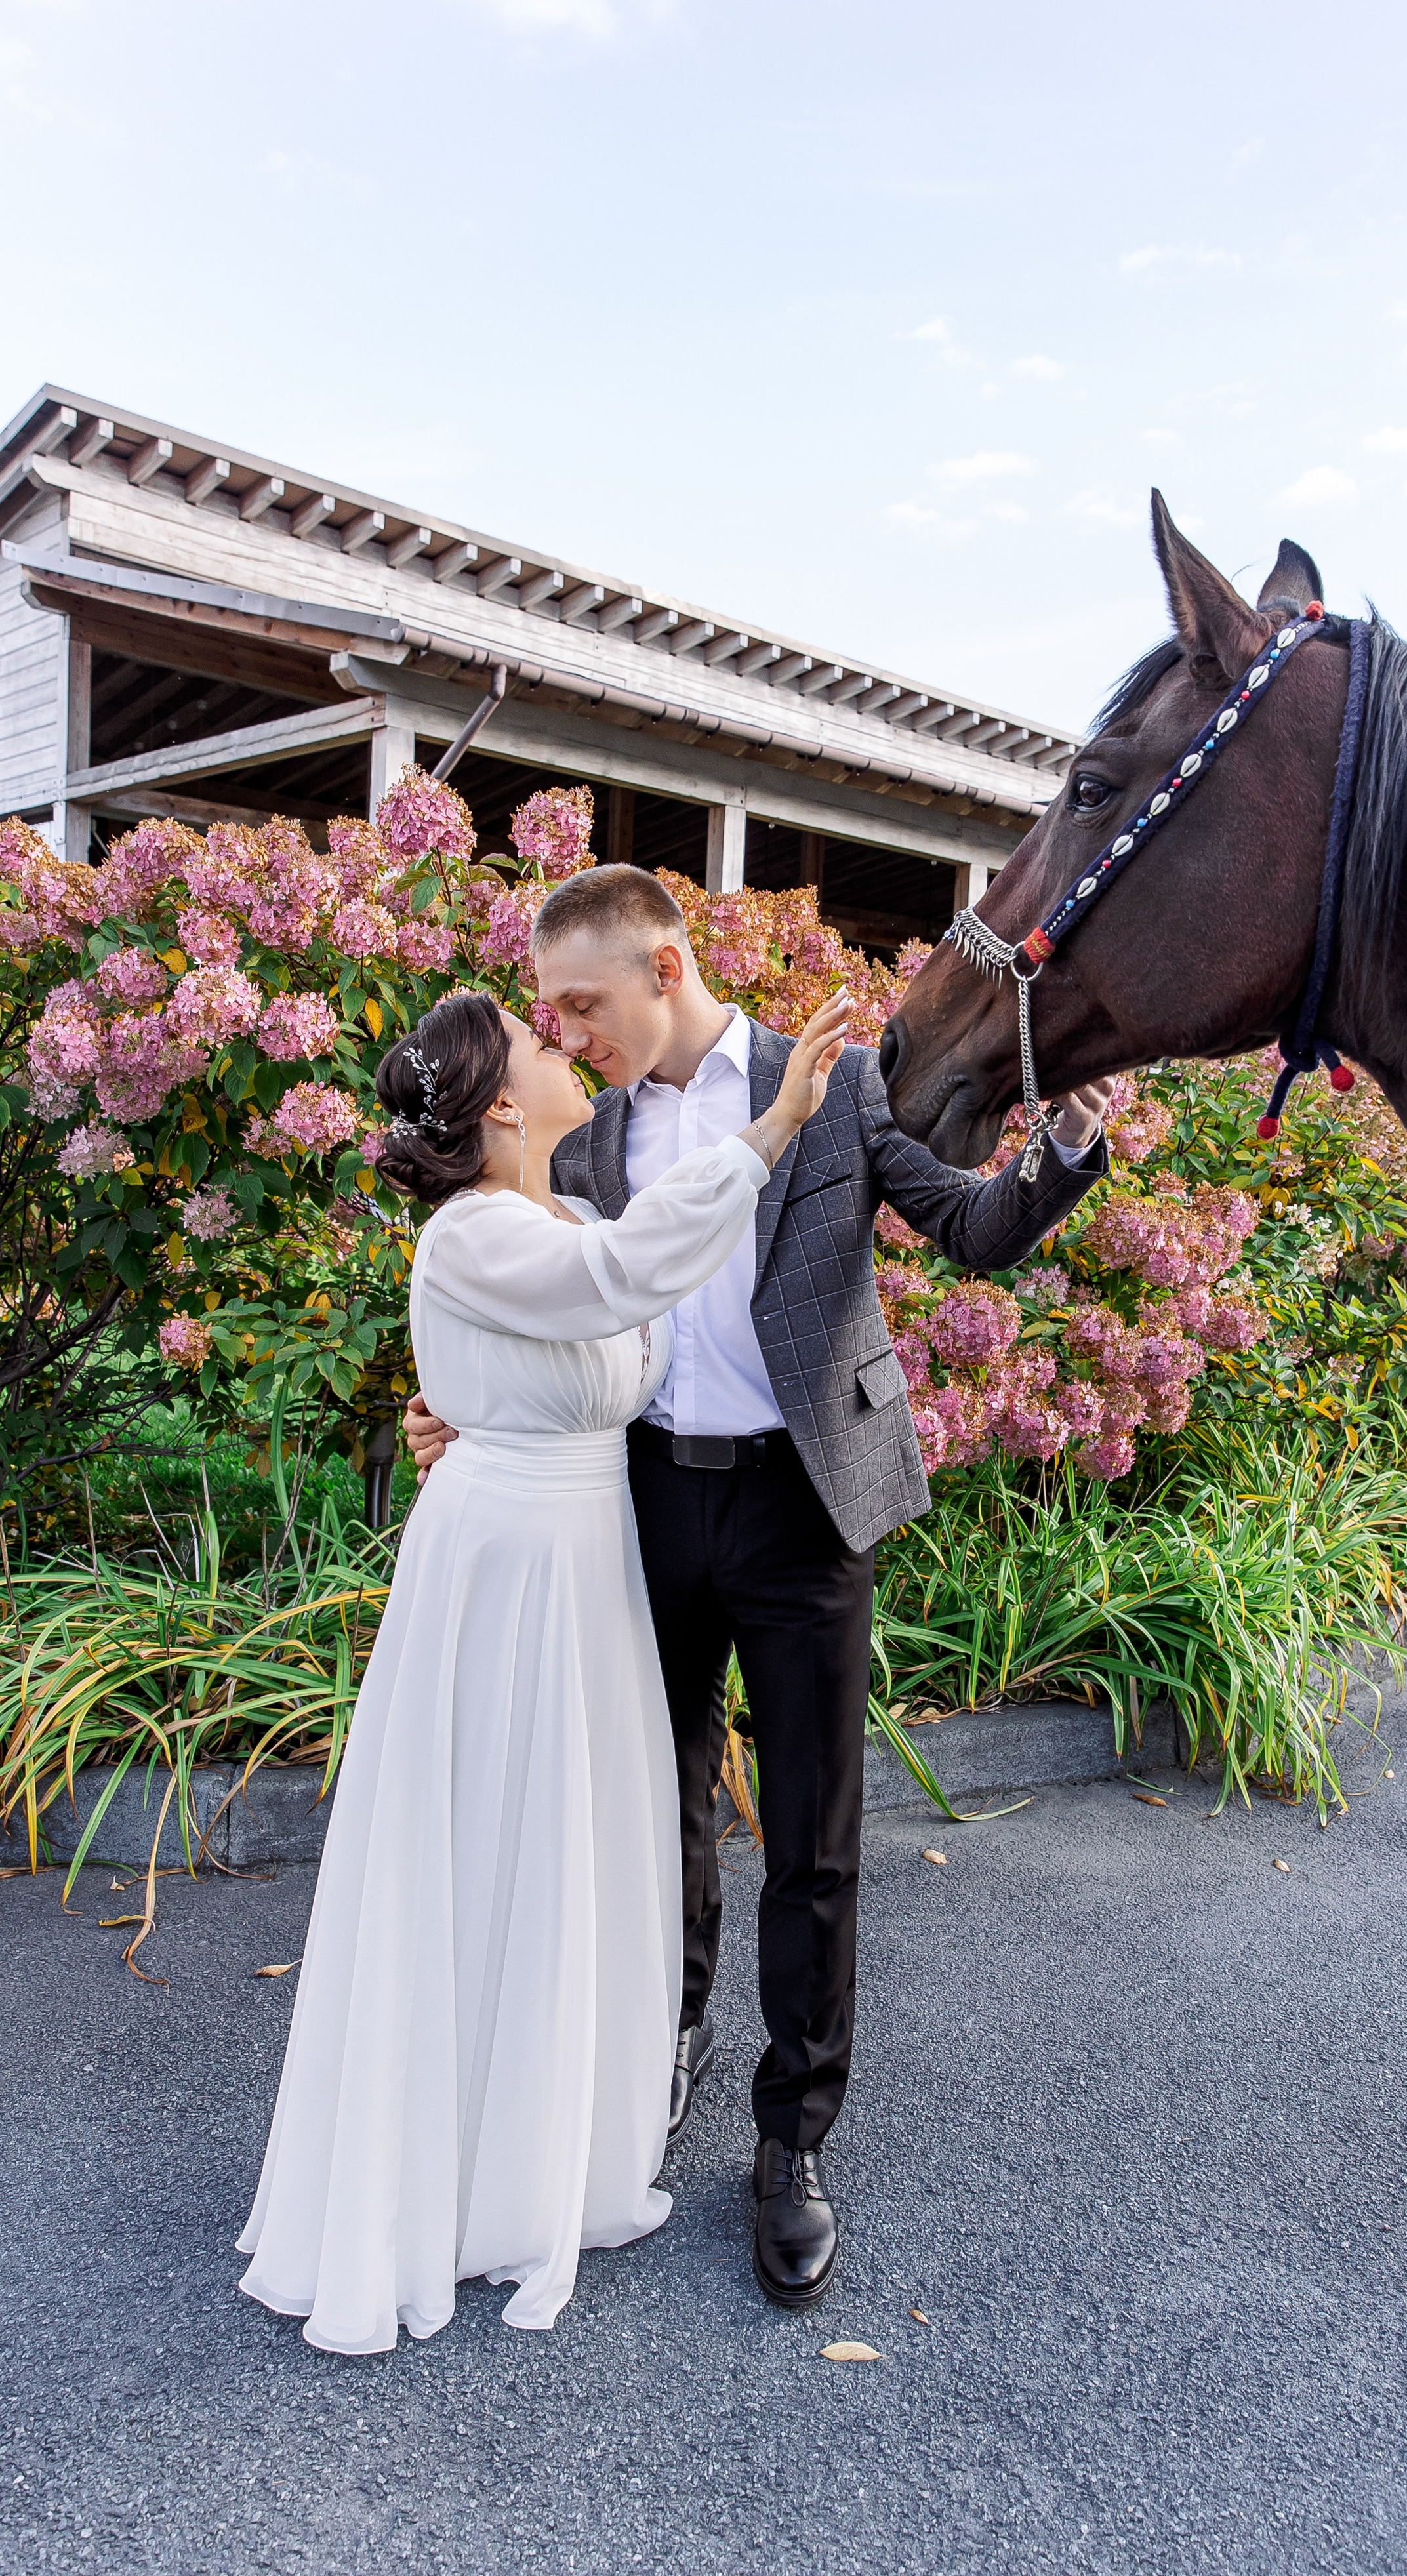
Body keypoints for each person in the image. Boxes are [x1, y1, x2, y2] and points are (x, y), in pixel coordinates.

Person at [404, 866, 1112, 2309]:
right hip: (640, 1496)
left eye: (581, 1003)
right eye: (549, 1013)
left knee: (812, 1833)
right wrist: (471, 1414)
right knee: (648, 1807)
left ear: (664, 965)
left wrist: (1068, 1142)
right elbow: (545, 1304)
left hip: (804, 1509)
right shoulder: (582, 1136)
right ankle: (656, 2053)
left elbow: (967, 1226)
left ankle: (790, 2136)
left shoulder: (828, 1082)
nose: (563, 1030)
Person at [237, 981, 851, 2354]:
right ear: (503, 1103)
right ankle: (441, 2173)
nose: (565, 1046)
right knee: (481, 1854)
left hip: (589, 1561)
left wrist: (462, 1404)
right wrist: (766, 1132)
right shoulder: (472, 1235)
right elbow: (618, 1285)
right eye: (535, 1043)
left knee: (565, 1853)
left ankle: (543, 2147)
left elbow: (596, 1323)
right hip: (503, 1573)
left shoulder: (565, 1208)